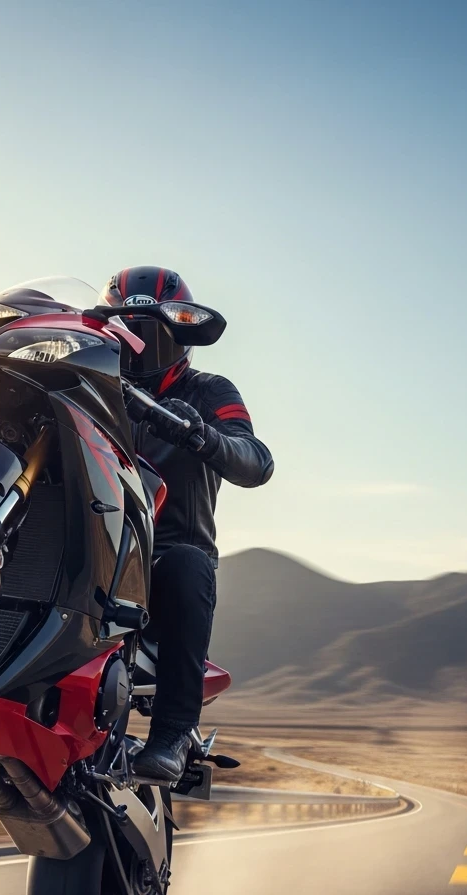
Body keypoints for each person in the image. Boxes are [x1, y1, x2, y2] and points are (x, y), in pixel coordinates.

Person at [98, 266, 274, 782]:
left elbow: (256, 460)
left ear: (178, 337)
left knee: (187, 564)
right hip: (96, 548)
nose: (136, 349)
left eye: (149, 335)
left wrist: (201, 435)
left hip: (164, 556)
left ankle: (174, 733)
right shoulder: (94, 388)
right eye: (125, 333)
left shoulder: (208, 390)